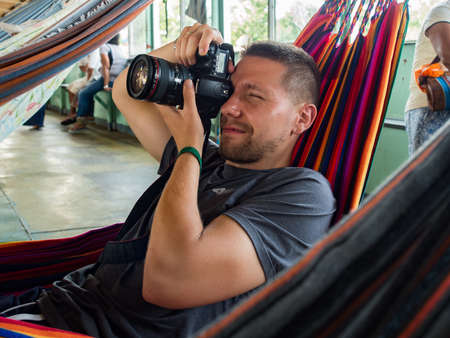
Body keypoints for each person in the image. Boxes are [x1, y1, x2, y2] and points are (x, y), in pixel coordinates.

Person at [0, 24, 335, 337]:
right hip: (59, 301)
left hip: (87, 327)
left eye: (253, 96)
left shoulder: (303, 195)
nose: (229, 107)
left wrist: (190, 147)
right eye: (230, 91)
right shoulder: (207, 159)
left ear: (302, 118)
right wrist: (181, 47)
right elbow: (125, 91)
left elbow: (168, 281)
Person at [404, 1, 450, 156]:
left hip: (445, 103)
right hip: (429, 107)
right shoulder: (442, 11)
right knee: (429, 177)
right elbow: (447, 55)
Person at [67, 35, 128, 132]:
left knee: (83, 93)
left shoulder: (104, 47)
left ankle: (82, 120)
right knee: (86, 92)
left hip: (108, 79)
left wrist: (106, 84)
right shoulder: (121, 49)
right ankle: (88, 116)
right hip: (119, 80)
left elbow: (106, 66)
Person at [60, 50, 101, 126]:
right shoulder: (85, 53)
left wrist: (87, 82)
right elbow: (84, 69)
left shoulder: (94, 51)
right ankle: (73, 112)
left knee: (75, 89)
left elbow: (90, 70)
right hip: (88, 76)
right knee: (70, 87)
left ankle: (76, 114)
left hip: (94, 77)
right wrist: (82, 60)